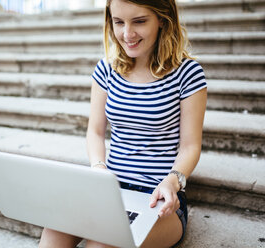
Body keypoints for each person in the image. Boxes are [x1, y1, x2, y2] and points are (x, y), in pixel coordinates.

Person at [39, 0, 207, 247]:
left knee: (101, 244)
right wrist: (98, 169)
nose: (127, 34)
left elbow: (190, 146)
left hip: (158, 198)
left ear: (162, 18)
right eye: (118, 22)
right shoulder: (106, 69)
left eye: (139, 21)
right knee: (54, 229)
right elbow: (95, 132)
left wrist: (172, 180)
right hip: (111, 192)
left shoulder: (188, 73)